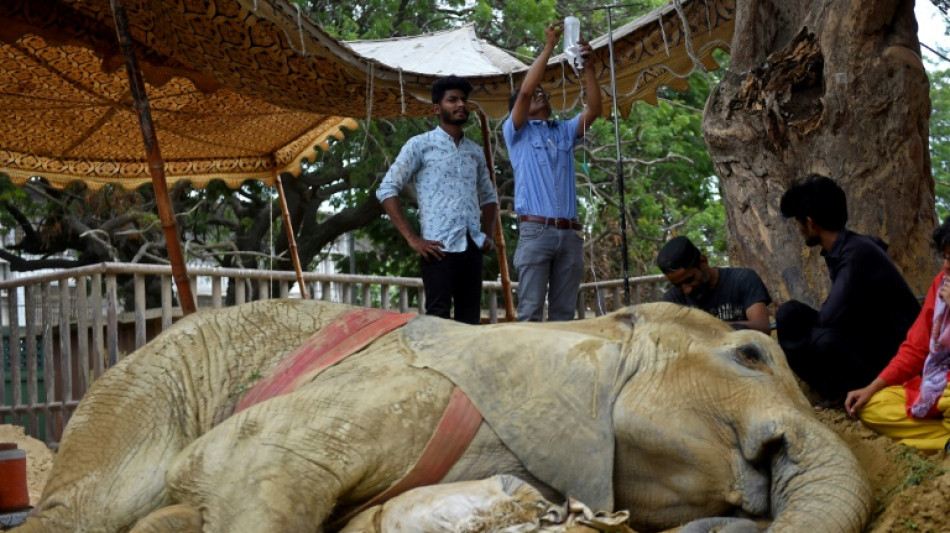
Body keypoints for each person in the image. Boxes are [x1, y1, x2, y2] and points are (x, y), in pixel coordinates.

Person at [776, 174, 920, 406]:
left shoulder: (855, 254)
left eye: (799, 223)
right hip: (869, 341)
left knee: (823, 340)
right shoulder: (851, 246)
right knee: (790, 315)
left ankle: (846, 394)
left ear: (810, 222)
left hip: (897, 357)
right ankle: (833, 392)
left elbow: (829, 318)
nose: (799, 229)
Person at [376, 75, 498, 325]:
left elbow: (489, 196)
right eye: (452, 100)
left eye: (463, 100)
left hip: (472, 246)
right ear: (436, 108)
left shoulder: (475, 151)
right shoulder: (420, 145)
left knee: (470, 322)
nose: (460, 104)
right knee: (437, 322)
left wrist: (488, 234)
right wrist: (413, 239)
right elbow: (387, 189)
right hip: (437, 249)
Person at [503, 20, 602, 322]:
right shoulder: (516, 132)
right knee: (530, 312)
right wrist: (548, 47)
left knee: (564, 315)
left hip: (569, 233)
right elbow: (523, 92)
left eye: (541, 92)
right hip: (536, 232)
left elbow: (594, 109)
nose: (538, 94)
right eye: (534, 95)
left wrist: (587, 66)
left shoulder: (563, 131)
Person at [844, 216, 950, 451]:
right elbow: (916, 348)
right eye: (944, 257)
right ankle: (944, 441)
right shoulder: (941, 283)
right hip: (939, 388)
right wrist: (871, 388)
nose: (946, 267)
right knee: (874, 406)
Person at [657, 236, 772, 334]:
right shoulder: (673, 299)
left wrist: (711, 326)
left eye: (690, 279)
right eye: (677, 285)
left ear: (703, 262)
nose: (686, 290)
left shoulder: (743, 279)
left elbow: (763, 327)